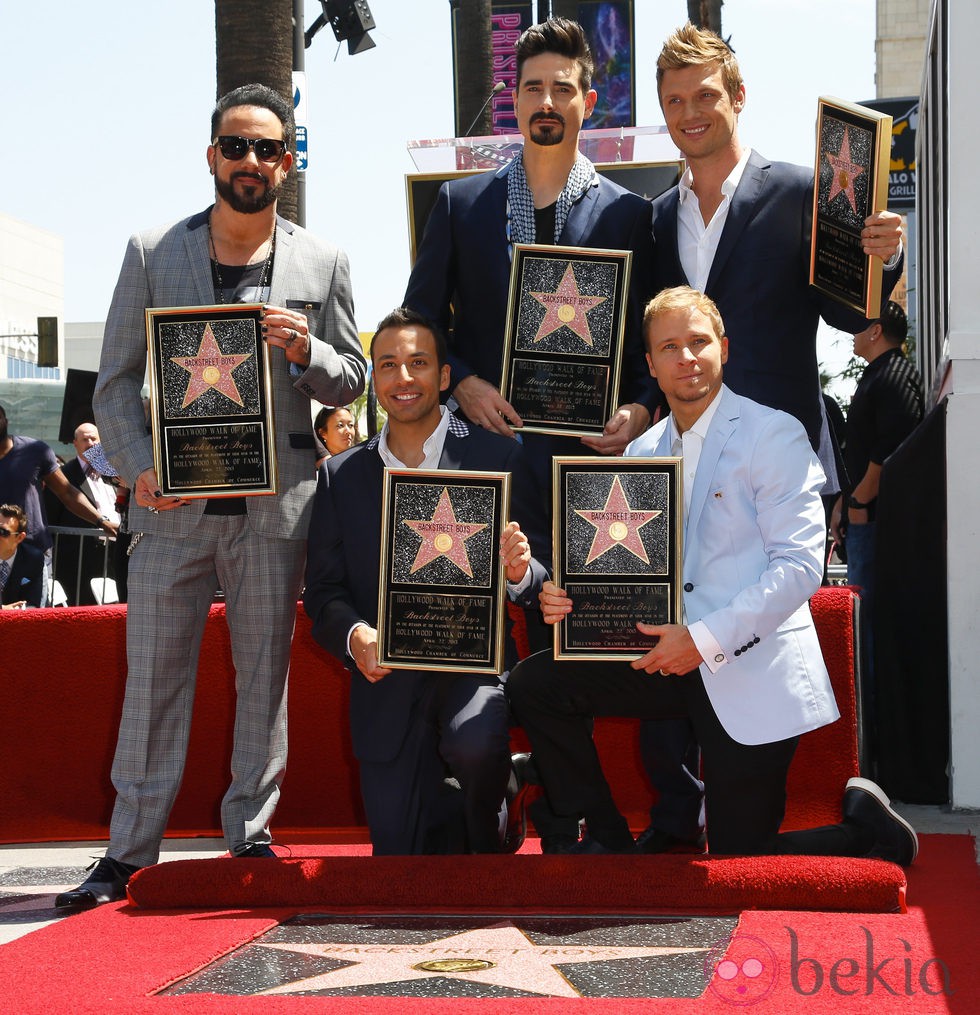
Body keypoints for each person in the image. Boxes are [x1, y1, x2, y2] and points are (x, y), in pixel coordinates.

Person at [55, 83, 365, 911]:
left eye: (268, 149)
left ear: (288, 162)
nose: (252, 162)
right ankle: (127, 853)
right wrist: (135, 462)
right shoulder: (154, 249)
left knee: (264, 682)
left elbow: (356, 377)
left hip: (276, 512)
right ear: (211, 155)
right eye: (237, 146)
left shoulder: (322, 259)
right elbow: (115, 380)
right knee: (153, 679)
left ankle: (250, 837)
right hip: (169, 509)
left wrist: (308, 351)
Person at [506, 286, 917, 866]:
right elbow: (623, 575)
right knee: (535, 683)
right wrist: (571, 600)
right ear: (650, 364)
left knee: (737, 862)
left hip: (746, 658)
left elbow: (801, 568)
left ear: (723, 347)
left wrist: (701, 640)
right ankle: (607, 837)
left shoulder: (774, 433)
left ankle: (865, 834)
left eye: (698, 342)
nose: (686, 358)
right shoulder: (641, 450)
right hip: (667, 659)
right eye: (669, 347)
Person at [639, 22, 907, 853]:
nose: (690, 113)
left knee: (751, 628)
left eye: (704, 96)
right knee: (681, 622)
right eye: (673, 101)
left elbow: (850, 311)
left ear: (738, 96)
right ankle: (688, 819)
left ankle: (759, 817)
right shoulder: (656, 219)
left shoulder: (799, 192)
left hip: (774, 459)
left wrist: (881, 261)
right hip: (683, 465)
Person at [303, 308, 549, 855]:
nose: (403, 378)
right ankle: (451, 806)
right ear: (373, 380)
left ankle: (497, 790)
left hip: (472, 670)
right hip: (386, 680)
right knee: (399, 859)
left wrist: (518, 571)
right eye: (388, 365)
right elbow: (322, 592)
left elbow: (543, 576)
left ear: (443, 377)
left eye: (418, 363)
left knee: (474, 750)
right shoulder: (341, 476)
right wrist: (355, 636)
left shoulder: (499, 456)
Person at [404, 16, 659, 493]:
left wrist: (641, 407)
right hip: (483, 452)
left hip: (592, 462)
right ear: (515, 100)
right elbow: (419, 320)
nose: (546, 102)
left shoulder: (629, 215)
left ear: (589, 103)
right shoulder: (461, 205)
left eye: (562, 90)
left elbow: (652, 329)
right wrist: (460, 381)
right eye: (533, 88)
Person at [831, 301, 923, 726]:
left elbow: (888, 450)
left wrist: (859, 503)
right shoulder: (881, 374)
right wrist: (843, 505)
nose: (850, 331)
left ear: (875, 330)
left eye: (858, 323)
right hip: (863, 519)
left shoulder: (893, 376)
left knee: (866, 623)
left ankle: (871, 722)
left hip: (878, 524)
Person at [0, 403, 119, 605]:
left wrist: (100, 520)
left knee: (33, 621)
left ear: (6, 421)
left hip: (34, 552)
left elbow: (67, 492)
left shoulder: (34, 451)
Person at [43, 423, 121, 605]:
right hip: (77, 559)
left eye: (94, 438)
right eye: (85, 439)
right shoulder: (63, 476)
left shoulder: (115, 472)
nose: (90, 443)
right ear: (75, 443)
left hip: (113, 555)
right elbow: (50, 516)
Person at [0, 504, 44, 609]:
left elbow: (32, 603)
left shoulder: (33, 559)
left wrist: (15, 611)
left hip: (16, 621)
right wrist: (3, 609)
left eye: (2, 532)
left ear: (19, 538)